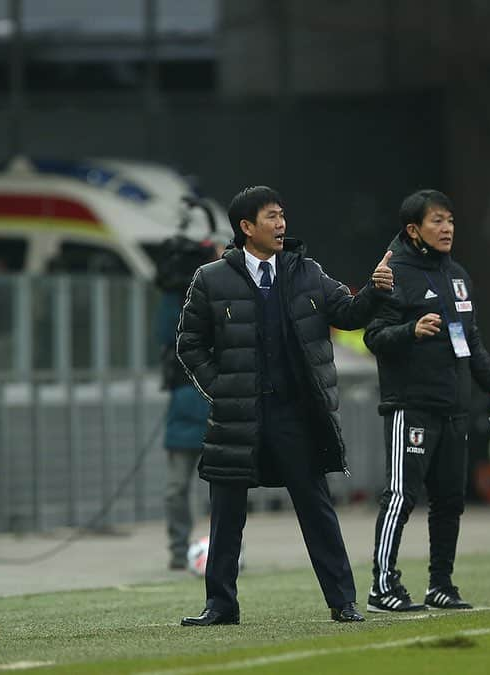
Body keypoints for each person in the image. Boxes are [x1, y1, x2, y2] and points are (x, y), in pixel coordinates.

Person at [176, 185, 394, 625]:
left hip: (296, 414)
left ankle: (342, 601)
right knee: (227, 513)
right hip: (239, 414)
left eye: (282, 217)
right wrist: (221, 387)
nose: (281, 225)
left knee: (317, 510)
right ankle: (220, 605)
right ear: (246, 227)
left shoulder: (307, 272)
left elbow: (348, 313)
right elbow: (189, 343)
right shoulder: (210, 279)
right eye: (271, 217)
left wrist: (376, 290)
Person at [363, 189, 490, 613]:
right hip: (410, 405)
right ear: (414, 230)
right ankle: (381, 587)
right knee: (400, 496)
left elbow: (472, 340)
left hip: (454, 408)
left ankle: (441, 585)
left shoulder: (458, 275)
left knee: (450, 500)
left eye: (450, 220)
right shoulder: (392, 274)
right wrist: (410, 330)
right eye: (437, 221)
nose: (447, 228)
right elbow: (373, 336)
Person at [155, 235, 227, 570]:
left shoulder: (228, 287)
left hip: (221, 400)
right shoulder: (175, 298)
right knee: (175, 488)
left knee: (226, 486)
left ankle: (225, 549)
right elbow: (166, 334)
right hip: (185, 400)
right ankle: (177, 550)